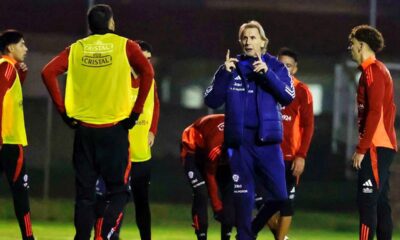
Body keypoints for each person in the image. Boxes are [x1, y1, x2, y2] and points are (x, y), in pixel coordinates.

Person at [41, 4, 154, 240]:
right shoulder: (124, 45)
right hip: (114, 131)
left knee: (84, 196)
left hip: (84, 132)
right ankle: (103, 235)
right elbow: (148, 73)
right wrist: (136, 112)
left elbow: (48, 72)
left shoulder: (77, 48)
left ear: (90, 26)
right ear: (112, 23)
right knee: (119, 192)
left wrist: (63, 112)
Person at [204, 20, 295, 240]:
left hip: (267, 144)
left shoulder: (276, 66)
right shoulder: (230, 67)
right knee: (243, 199)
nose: (248, 41)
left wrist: (267, 75)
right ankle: (245, 235)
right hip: (239, 144)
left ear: (264, 42)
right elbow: (211, 100)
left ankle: (251, 230)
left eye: (253, 37)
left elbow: (287, 97)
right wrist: (224, 75)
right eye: (244, 37)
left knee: (281, 197)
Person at [94, 40, 160, 240]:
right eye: (142, 59)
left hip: (142, 155)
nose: (146, 64)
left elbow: (155, 106)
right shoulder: (118, 80)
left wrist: (152, 131)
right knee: (116, 199)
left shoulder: (151, 81)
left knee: (142, 203)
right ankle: (109, 236)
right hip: (121, 155)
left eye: (149, 60)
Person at [257, 48, 314, 240]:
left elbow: (308, 126)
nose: (284, 69)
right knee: (261, 201)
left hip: (289, 157)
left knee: (285, 203)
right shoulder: (265, 86)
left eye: (288, 66)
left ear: (295, 69)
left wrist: (301, 155)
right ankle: (281, 238)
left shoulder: (302, 91)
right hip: (265, 155)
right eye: (281, 65)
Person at [348, 25, 397, 240]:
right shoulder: (376, 71)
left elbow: (375, 112)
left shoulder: (373, 72)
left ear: (361, 45)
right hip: (382, 145)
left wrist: (362, 148)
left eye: (351, 44)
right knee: (380, 203)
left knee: (366, 202)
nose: (350, 48)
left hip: (376, 146)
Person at [0, 29, 34, 240]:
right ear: (10, 48)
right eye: (22, 44)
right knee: (20, 192)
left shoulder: (10, 69)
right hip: (9, 142)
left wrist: (21, 75)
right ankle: (28, 237)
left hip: (6, 140)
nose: (26, 48)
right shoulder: (6, 66)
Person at [180, 114, 235, 240]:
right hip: (193, 152)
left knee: (230, 193)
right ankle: (202, 236)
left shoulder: (243, 144)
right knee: (201, 193)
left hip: (217, 151)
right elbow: (210, 175)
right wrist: (217, 208)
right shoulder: (215, 148)